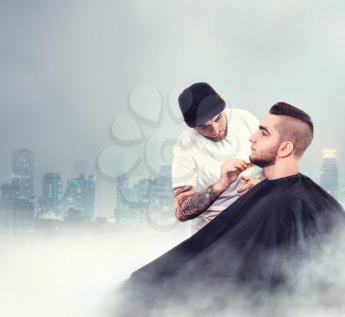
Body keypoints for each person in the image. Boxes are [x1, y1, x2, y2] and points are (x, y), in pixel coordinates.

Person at [118, 102, 345, 315]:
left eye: (263, 132)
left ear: (285, 147)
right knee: (141, 282)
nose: (251, 137)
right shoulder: (187, 148)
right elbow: (183, 213)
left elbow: (276, 290)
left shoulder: (290, 204)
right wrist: (232, 186)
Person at [173, 82, 261, 231]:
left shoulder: (245, 119)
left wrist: (260, 183)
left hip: (252, 219)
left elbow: (275, 160)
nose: (215, 130)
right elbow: (181, 211)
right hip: (212, 229)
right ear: (186, 122)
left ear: (221, 98)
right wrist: (221, 185)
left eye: (218, 118)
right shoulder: (184, 146)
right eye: (203, 126)